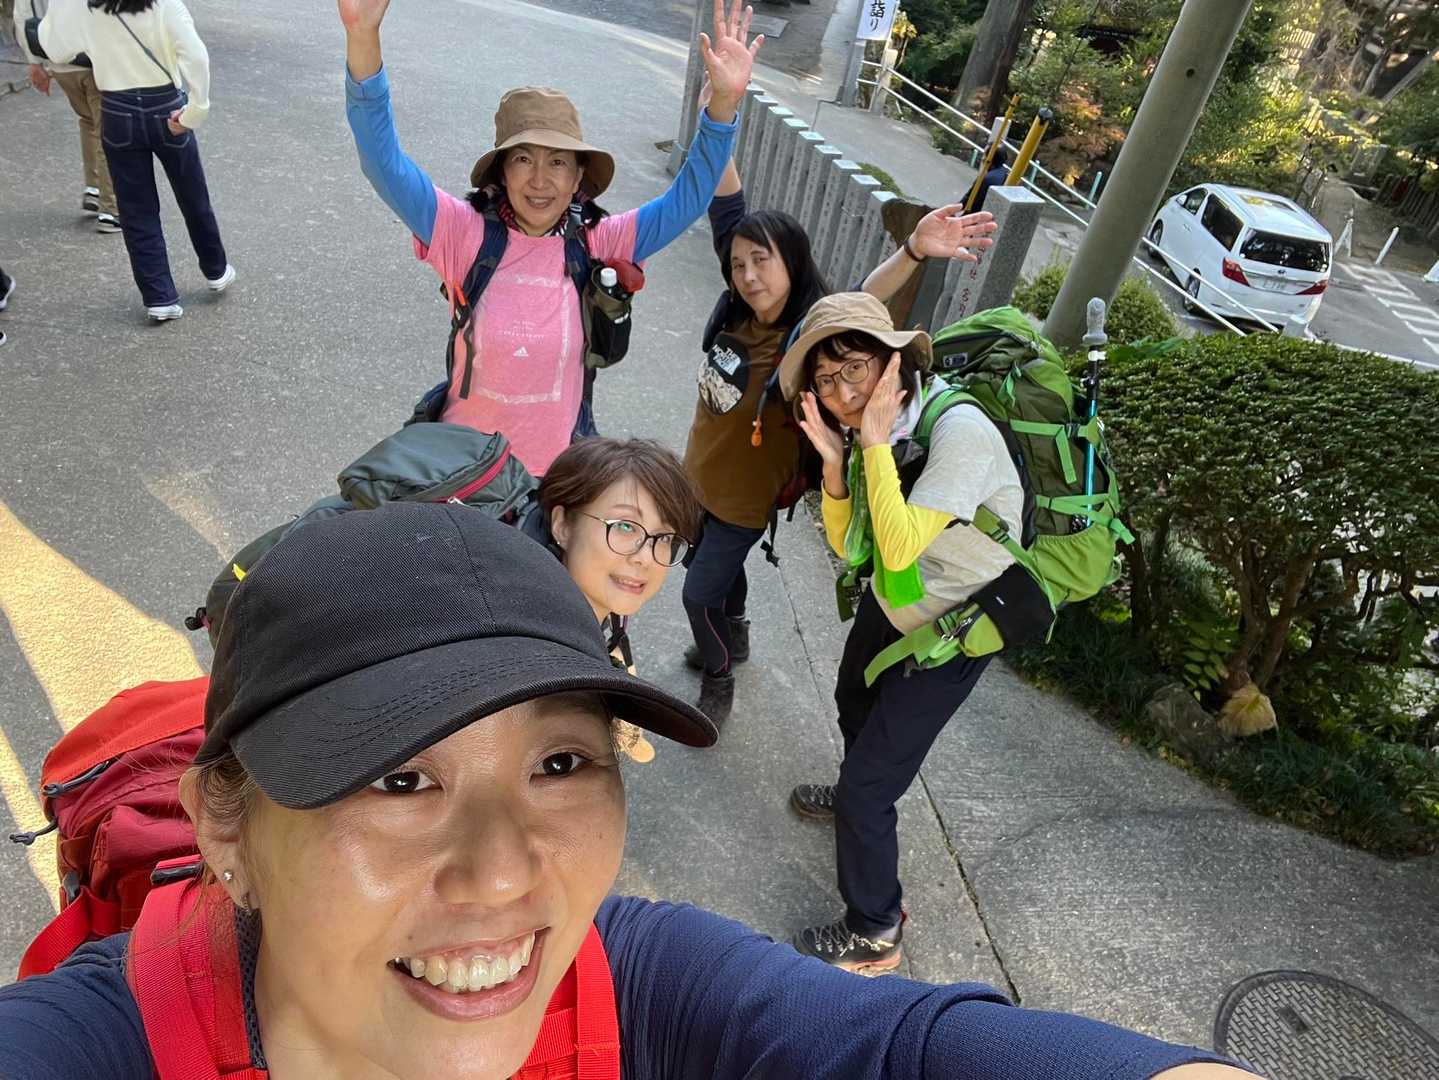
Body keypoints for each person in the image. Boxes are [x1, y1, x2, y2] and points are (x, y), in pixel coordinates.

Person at [0, 502, 1258, 1080]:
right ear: (226, 823)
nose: (504, 871)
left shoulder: (628, 986)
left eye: (560, 763)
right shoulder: (98, 1044)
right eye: (399, 776)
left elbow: (894, 1048)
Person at [340, 0, 761, 477]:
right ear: (501, 170)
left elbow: (688, 199)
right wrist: (362, 39)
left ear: (579, 175)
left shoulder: (599, 242)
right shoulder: (463, 233)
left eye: (558, 162)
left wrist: (722, 107)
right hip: (461, 476)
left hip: (555, 479)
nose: (540, 180)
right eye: (523, 159)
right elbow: (384, 164)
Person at [781, 289, 1019, 974]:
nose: (842, 393)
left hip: (955, 624)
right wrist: (836, 467)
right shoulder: (878, 431)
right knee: (851, 699)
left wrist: (872, 443)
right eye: (826, 380)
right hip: (899, 597)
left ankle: (875, 928)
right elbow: (853, 547)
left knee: (870, 786)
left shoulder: (957, 432)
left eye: (854, 368)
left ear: (893, 362)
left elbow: (898, 544)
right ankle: (859, 795)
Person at [678, 143, 829, 726]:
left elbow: (866, 296)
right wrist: (721, 113)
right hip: (698, 477)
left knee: (697, 594)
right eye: (739, 264)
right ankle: (735, 633)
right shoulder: (741, 309)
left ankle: (719, 679)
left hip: (744, 501)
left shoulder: (809, 337)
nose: (748, 275)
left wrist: (915, 249)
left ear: (793, 261)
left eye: (762, 261)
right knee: (716, 570)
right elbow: (728, 210)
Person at [30, 0, 235, 323]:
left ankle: (159, 297)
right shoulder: (165, 3)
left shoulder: (86, 7)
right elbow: (196, 55)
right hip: (167, 106)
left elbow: (54, 48)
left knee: (136, 209)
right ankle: (215, 270)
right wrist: (196, 111)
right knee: (192, 194)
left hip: (116, 108)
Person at [538, 436, 704, 763]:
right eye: (625, 526)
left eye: (664, 537)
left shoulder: (582, 607)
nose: (645, 557)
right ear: (562, 526)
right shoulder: (541, 664)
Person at [14, 0, 122, 232]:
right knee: (107, 131)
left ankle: (94, 188)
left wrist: (34, 63)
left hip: (59, 63)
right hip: (94, 61)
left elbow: (22, 14)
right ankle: (110, 209)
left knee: (88, 121)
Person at [973, 144, 1010, 213]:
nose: (982, 158)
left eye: (985, 155)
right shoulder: (1005, 174)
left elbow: (974, 202)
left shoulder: (985, 179)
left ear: (990, 159)